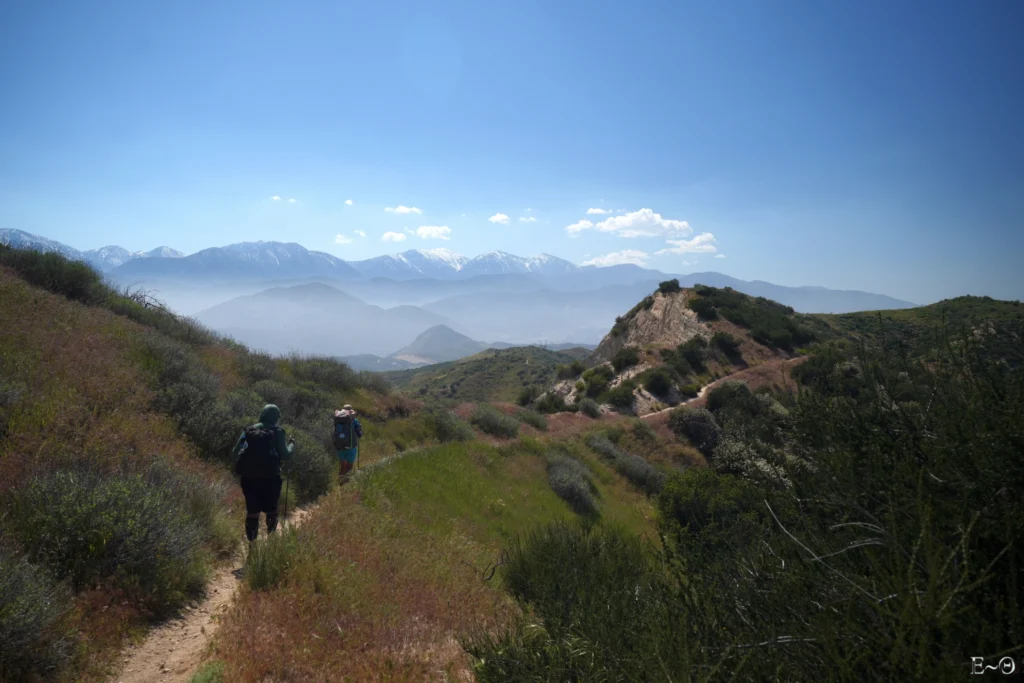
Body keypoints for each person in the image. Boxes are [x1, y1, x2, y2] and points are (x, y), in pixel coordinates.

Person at [231, 404, 295, 542]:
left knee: (252, 512)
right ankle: (271, 541)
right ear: (276, 417)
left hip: (248, 479)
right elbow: (285, 455)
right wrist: (292, 444)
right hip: (270, 478)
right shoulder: (277, 432)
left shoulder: (249, 430)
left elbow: (235, 452)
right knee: (271, 510)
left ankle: (252, 545)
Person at [333, 404, 363, 484]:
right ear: (351, 411)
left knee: (342, 466)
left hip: (340, 447)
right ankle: (346, 486)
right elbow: (359, 435)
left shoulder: (337, 419)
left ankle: (340, 484)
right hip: (351, 447)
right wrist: (359, 428)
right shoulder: (354, 421)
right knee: (349, 468)